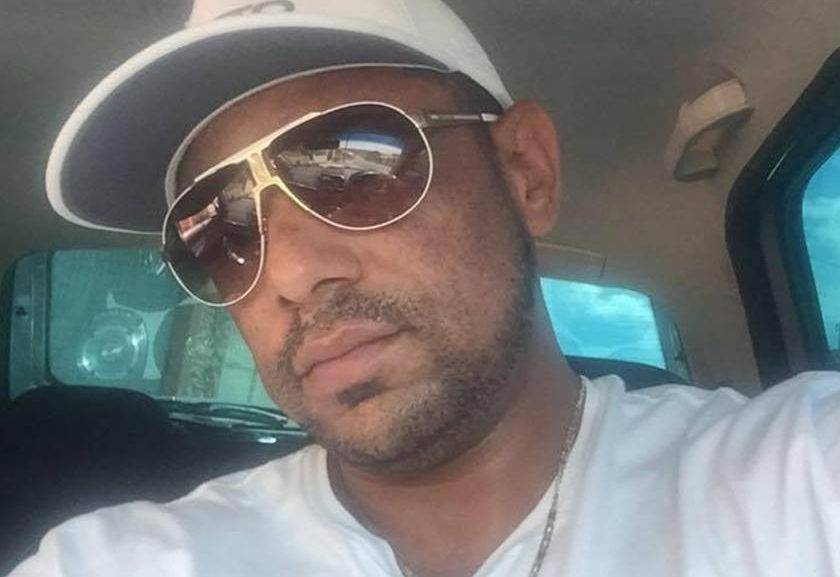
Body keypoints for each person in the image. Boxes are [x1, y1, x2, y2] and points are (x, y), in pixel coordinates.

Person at [12, 0, 840, 576]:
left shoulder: (794, 482)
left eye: (350, 165)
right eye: (218, 230)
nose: (291, 274)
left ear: (525, 170)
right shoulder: (124, 559)